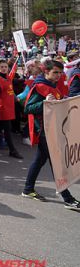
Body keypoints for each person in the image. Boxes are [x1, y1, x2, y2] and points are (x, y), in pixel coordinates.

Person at [22, 59, 80, 210]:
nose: (58, 76)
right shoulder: (40, 86)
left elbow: (58, 101)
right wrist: (44, 103)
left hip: (53, 129)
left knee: (40, 160)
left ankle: (28, 189)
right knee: (58, 164)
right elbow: (28, 108)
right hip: (44, 131)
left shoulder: (52, 86)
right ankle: (67, 198)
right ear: (46, 72)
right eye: (55, 72)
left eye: (60, 73)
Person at [0, 59, 23, 158]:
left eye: (5, 67)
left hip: (10, 106)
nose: (4, 68)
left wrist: (16, 98)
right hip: (3, 107)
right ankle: (12, 150)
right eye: (2, 67)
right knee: (7, 128)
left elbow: (11, 90)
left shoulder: (9, 78)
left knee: (0, 127)